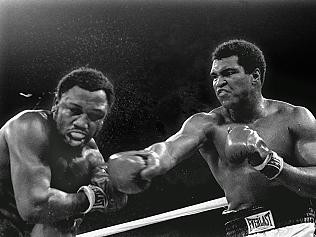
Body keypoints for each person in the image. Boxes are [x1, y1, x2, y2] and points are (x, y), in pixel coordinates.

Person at [108, 39, 316, 236]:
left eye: (229, 73)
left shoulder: (295, 117)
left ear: (255, 76)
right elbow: (170, 149)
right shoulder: (207, 124)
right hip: (240, 230)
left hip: (298, 227)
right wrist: (148, 160)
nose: (219, 82)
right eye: (215, 76)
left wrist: (272, 164)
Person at [0, 67, 127, 237]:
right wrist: (92, 198)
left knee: (62, 225)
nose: (82, 123)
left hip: (25, 230)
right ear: (56, 105)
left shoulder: (92, 155)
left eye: (95, 115)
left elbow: (114, 199)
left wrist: (121, 185)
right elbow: (34, 206)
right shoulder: (29, 126)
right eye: (74, 111)